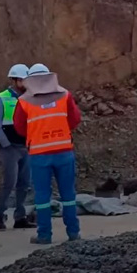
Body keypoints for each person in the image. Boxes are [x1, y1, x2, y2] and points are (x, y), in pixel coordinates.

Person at [12, 63, 83, 245]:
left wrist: (38, 132)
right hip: (64, 152)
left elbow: (19, 128)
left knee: (42, 196)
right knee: (68, 195)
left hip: (39, 154)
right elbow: (75, 119)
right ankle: (73, 233)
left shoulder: (24, 101)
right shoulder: (65, 95)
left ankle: (44, 234)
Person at [0, 64, 34, 230]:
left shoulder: (29, 98)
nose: (25, 83)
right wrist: (6, 145)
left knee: (24, 183)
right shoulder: (1, 99)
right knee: (9, 183)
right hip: (9, 148)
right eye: (23, 80)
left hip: (25, 146)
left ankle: (20, 217)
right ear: (15, 80)